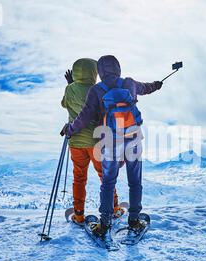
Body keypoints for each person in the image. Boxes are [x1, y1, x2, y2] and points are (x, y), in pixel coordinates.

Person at [61, 55, 163, 239]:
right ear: (118, 67)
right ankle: (134, 221)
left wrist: (70, 128)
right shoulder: (129, 83)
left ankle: (104, 225)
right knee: (135, 182)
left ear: (100, 72)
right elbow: (146, 88)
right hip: (133, 138)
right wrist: (157, 84)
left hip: (109, 141)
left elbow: (84, 117)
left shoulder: (96, 90)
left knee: (108, 183)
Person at [61, 58, 122, 226]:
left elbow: (64, 104)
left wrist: (71, 85)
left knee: (79, 178)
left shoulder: (69, 90)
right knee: (105, 176)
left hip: (76, 142)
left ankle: (79, 215)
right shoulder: (99, 90)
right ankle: (114, 208)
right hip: (97, 141)